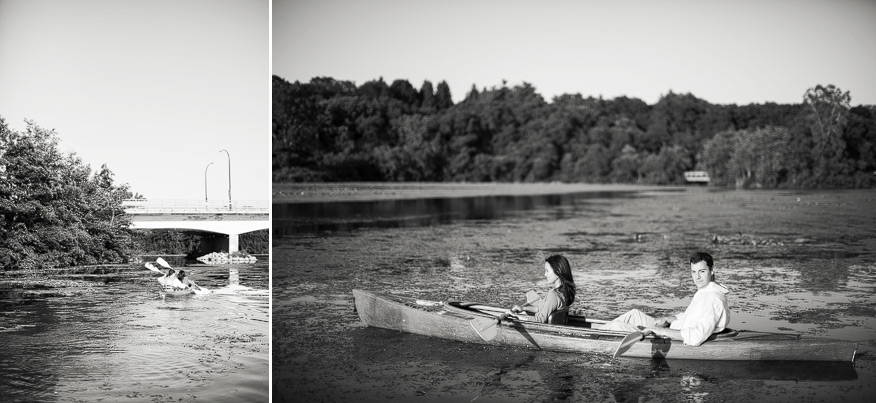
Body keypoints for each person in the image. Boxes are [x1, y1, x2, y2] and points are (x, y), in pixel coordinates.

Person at [600, 251, 730, 347]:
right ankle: (598, 332)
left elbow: (697, 337)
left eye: (702, 271)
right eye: (693, 272)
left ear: (712, 270)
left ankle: (589, 338)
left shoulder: (713, 299)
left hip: (671, 335)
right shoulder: (705, 291)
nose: (697, 277)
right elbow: (691, 316)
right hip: (671, 327)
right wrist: (669, 319)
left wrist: (661, 330)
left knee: (616, 326)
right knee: (633, 315)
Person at [509, 254, 577, 324]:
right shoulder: (564, 292)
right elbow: (543, 309)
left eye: (547, 271)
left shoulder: (553, 295)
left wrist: (515, 316)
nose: (545, 274)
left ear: (558, 272)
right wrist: (523, 308)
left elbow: (540, 320)